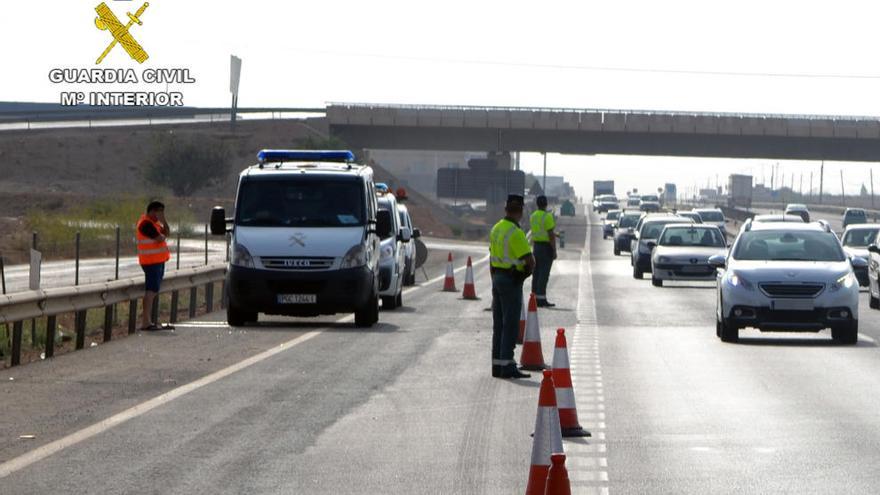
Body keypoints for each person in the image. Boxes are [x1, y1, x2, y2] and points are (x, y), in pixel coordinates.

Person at [490, 195, 536, 379]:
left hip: (497, 278)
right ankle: (508, 365)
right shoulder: (516, 232)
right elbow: (530, 261)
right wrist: (522, 275)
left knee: (499, 323)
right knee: (510, 324)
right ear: (520, 211)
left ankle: (497, 365)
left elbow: (491, 257)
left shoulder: (496, 228)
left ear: (506, 209)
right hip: (510, 280)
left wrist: (494, 278)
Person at [137, 201, 171, 331]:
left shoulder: (155, 224)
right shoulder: (145, 224)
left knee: (153, 290)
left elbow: (167, 233)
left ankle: (148, 320)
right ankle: (146, 322)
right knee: (150, 291)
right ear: (152, 211)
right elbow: (160, 238)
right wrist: (162, 228)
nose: (160, 215)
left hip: (157, 261)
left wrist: (164, 221)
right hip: (150, 262)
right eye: (159, 212)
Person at [529, 195, 557, 307]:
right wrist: (554, 250)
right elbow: (550, 235)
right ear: (546, 204)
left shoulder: (533, 216)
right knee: (544, 274)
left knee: (536, 273)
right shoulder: (547, 216)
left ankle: (534, 297)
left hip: (536, 246)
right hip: (545, 247)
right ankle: (541, 299)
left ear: (537, 204)